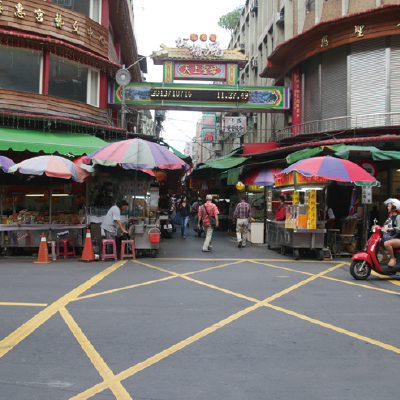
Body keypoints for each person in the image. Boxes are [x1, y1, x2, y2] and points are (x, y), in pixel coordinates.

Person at [379, 201, 400, 266]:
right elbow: (386, 225)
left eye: (389, 206)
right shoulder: (390, 217)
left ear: (393, 207)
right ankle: (385, 256)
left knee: (387, 243)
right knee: (378, 241)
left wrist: (390, 229)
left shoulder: (398, 217)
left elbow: (399, 228)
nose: (387, 207)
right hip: (392, 237)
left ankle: (393, 258)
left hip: (398, 238)